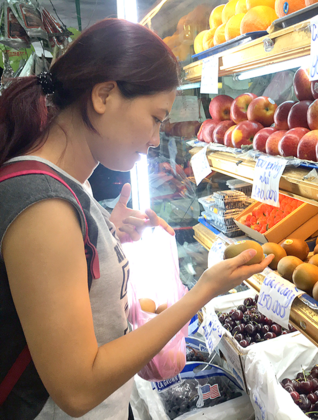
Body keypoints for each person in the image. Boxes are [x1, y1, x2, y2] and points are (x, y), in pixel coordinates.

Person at [0, 18, 273, 419]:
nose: (155, 139)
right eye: (156, 118)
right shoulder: (46, 208)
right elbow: (78, 389)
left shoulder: (64, 186)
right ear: (104, 95)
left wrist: (104, 229)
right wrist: (202, 293)